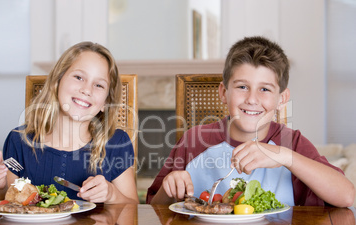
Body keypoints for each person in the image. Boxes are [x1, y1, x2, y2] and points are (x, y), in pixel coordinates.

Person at [147, 36, 355, 207]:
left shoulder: (291, 143)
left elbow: (346, 196)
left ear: (281, 99)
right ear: (223, 92)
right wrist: (168, 188)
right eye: (242, 87)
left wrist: (284, 156)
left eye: (264, 89)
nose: (252, 99)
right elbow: (155, 209)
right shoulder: (194, 140)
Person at [0, 41, 139, 204]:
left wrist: (112, 195)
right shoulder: (18, 141)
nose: (87, 90)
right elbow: (4, 211)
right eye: (78, 77)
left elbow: (132, 216)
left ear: (106, 102)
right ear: (57, 82)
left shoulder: (116, 143)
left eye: (98, 85)